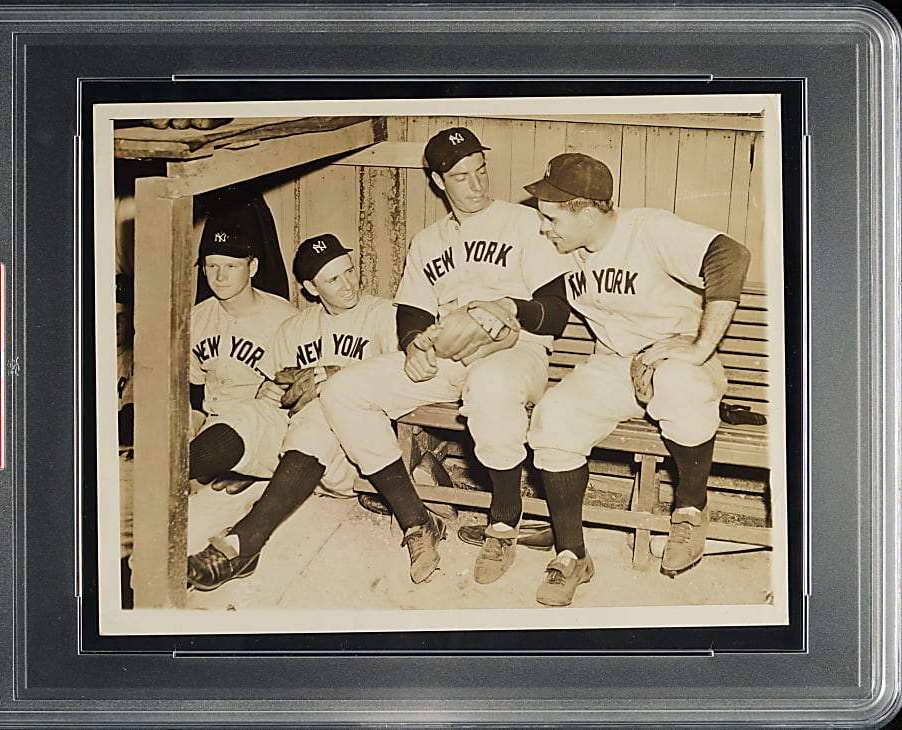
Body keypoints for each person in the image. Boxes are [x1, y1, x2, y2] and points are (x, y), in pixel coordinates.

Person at [321, 127, 573, 585]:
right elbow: (411, 315)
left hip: (517, 348)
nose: (476, 185)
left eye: (481, 171)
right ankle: (417, 520)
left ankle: (503, 520)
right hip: (450, 353)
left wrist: (509, 307)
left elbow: (556, 312)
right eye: (461, 176)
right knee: (344, 389)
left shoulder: (524, 223)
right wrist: (415, 343)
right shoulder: (427, 241)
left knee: (490, 387)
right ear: (438, 181)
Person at [523, 152, 751, 607]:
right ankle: (572, 555)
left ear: (587, 213)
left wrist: (700, 347)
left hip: (677, 354)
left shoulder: (648, 230)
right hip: (616, 363)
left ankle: (689, 510)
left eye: (550, 217)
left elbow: (731, 254)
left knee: (680, 385)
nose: (543, 226)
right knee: (555, 416)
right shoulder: (564, 248)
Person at [187, 234, 399, 590]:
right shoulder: (295, 328)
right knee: (249, 412)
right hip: (293, 452)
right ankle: (164, 479)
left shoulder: (383, 314)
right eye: (333, 279)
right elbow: (272, 398)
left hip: (354, 450)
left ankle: (244, 543)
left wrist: (337, 374)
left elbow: (406, 377)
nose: (348, 284)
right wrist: (267, 392)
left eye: (349, 271)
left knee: (321, 408)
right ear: (311, 288)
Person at [186, 212, 298, 493]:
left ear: (253, 267)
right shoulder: (195, 318)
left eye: (231, 266)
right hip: (212, 424)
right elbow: (194, 392)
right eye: (212, 266)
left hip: (266, 427)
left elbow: (299, 392)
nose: (220, 276)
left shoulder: (284, 317)